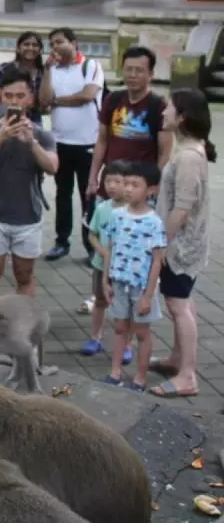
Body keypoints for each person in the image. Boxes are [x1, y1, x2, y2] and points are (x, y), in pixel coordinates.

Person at [0, 67, 59, 298]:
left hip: (28, 217)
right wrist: (1, 136)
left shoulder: (42, 134)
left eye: (20, 96)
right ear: (0, 96)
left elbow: (52, 167)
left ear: (30, 97)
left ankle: (24, 327)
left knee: (25, 275)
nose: (14, 102)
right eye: (8, 96)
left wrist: (31, 143)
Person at [149, 88, 216, 399]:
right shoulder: (190, 148)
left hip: (181, 248)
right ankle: (177, 360)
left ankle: (187, 375)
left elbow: (182, 208)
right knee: (182, 302)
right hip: (183, 244)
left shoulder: (189, 156)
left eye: (169, 108)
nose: (163, 113)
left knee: (178, 306)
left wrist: (161, 245)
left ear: (183, 116)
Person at [38, 27, 105, 262]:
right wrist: (46, 70)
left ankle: (91, 246)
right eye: (52, 43)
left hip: (88, 143)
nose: (56, 47)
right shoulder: (53, 71)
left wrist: (57, 101)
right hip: (60, 143)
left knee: (89, 195)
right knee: (62, 194)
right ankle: (61, 241)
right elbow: (44, 100)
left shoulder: (91, 66)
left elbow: (86, 96)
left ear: (74, 43)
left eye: (60, 42)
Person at [87, 45, 173, 225]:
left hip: (140, 187)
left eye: (139, 70)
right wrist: (93, 177)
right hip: (111, 183)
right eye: (129, 69)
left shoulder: (158, 105)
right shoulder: (113, 100)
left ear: (150, 74)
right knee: (103, 232)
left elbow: (165, 151)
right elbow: (102, 141)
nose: (133, 75)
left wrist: (154, 184)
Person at [101, 160, 167, 393]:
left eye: (135, 185)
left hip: (141, 287)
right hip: (119, 282)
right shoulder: (117, 215)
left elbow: (157, 260)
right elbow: (110, 247)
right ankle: (115, 372)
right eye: (126, 184)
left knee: (142, 333)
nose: (128, 189)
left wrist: (149, 296)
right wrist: (105, 280)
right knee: (120, 328)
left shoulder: (154, 222)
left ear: (151, 190)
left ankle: (140, 378)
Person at [82, 160, 132, 366]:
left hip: (125, 269)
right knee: (100, 301)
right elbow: (92, 234)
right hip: (101, 265)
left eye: (117, 181)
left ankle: (126, 345)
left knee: (125, 306)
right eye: (108, 180)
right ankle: (96, 338)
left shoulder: (134, 210)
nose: (111, 186)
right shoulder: (102, 208)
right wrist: (101, 251)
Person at [0, 31, 44, 124]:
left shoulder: (43, 73)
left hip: (33, 119)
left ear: (40, 50)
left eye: (35, 45)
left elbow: (45, 103)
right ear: (18, 48)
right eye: (26, 44)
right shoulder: (4, 68)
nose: (31, 48)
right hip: (5, 116)